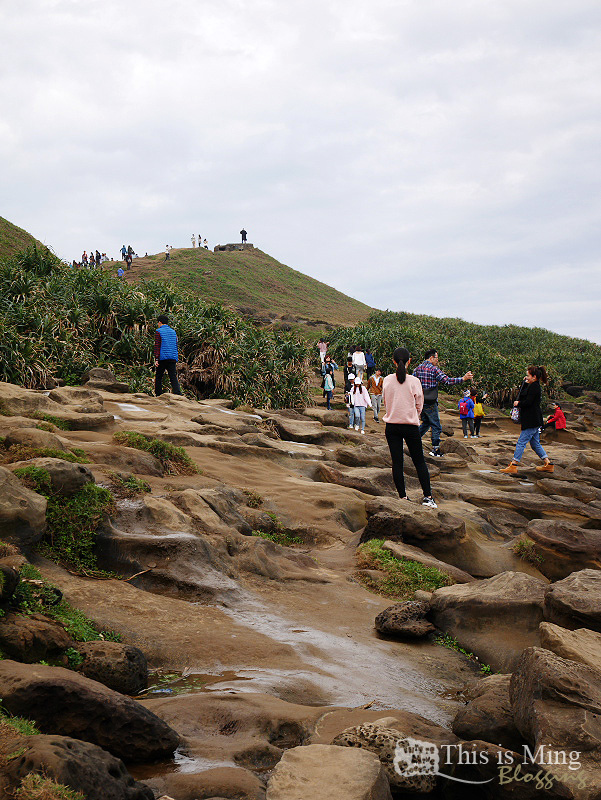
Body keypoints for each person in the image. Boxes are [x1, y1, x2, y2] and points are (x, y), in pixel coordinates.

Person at [382, 347, 436, 508]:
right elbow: (419, 405)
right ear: (409, 361)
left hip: (391, 425)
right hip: (410, 426)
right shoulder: (414, 381)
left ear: (393, 361)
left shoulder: (386, 380)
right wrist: (413, 415)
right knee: (419, 461)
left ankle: (403, 497)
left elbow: (386, 401)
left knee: (397, 462)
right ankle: (428, 497)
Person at [414, 349, 473, 457]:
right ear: (431, 358)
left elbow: (412, 384)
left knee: (426, 423)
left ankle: (413, 439)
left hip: (420, 401)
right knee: (436, 426)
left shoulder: (417, 369)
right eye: (436, 358)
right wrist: (463, 378)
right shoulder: (434, 369)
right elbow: (447, 381)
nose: (437, 360)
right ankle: (435, 449)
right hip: (431, 402)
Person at [500, 366, 554, 474]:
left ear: (534, 377)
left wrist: (518, 403)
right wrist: (525, 383)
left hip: (531, 419)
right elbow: (522, 394)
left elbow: (528, 402)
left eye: (528, 375)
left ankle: (514, 465)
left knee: (521, 442)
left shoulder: (534, 387)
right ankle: (548, 464)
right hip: (534, 419)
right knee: (535, 444)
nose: (527, 377)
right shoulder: (533, 385)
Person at [154, 315, 183, 396]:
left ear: (160, 322)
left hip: (162, 358)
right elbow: (176, 344)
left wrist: (156, 358)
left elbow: (157, 345)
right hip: (172, 358)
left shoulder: (158, 331)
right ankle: (178, 393)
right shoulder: (173, 332)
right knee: (173, 376)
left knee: (159, 376)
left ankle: (158, 394)